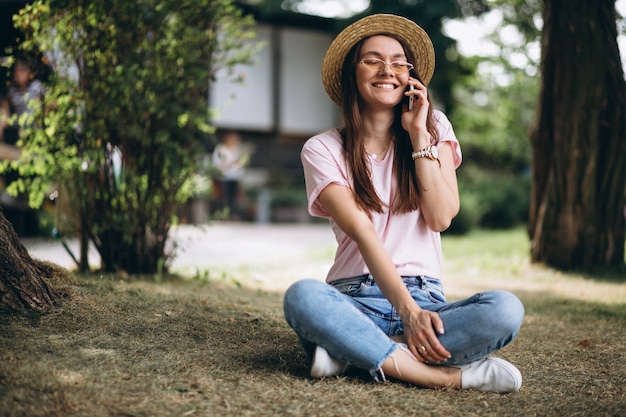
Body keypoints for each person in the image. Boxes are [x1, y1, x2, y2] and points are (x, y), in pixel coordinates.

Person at [283, 14, 525, 393]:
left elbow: (442, 216)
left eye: (398, 62)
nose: (387, 70)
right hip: (353, 300)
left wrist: (417, 136)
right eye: (372, 60)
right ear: (353, 73)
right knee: (303, 296)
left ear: (411, 76)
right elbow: (363, 230)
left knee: (506, 309)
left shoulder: (434, 128)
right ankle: (443, 375)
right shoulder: (322, 149)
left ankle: (351, 351)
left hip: (426, 299)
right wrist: (406, 314)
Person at [0, 57, 45, 146]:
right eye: (16, 71)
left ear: (29, 74)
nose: (18, 74)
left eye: (21, 71)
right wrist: (6, 115)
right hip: (18, 124)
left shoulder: (36, 86)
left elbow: (47, 102)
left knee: (26, 132)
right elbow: (6, 102)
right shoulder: (12, 90)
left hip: (34, 123)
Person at [212, 131, 249, 219]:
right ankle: (222, 215)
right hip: (224, 177)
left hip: (235, 177)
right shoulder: (221, 149)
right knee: (224, 197)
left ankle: (232, 215)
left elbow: (239, 165)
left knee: (233, 198)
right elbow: (218, 165)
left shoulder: (235, 150)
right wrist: (231, 163)